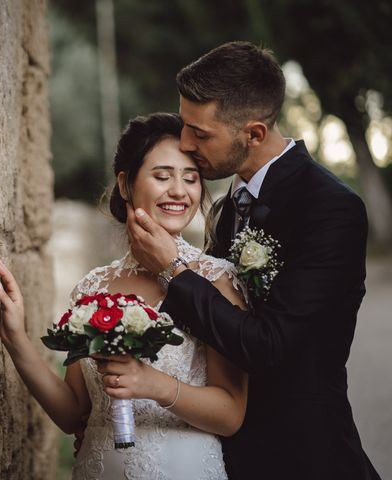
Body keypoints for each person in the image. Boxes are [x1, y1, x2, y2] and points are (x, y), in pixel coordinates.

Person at [126, 42, 381, 480]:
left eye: (200, 134)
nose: (185, 143)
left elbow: (269, 346)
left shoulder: (329, 208)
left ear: (255, 133)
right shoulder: (233, 203)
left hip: (303, 455)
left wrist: (173, 269)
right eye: (185, 126)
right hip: (224, 450)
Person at [0, 113, 248, 479]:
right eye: (162, 176)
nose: (179, 190)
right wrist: (16, 339)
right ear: (125, 185)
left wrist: (154, 384)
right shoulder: (93, 287)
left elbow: (231, 414)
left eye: (190, 179)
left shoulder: (218, 280)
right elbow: (73, 413)